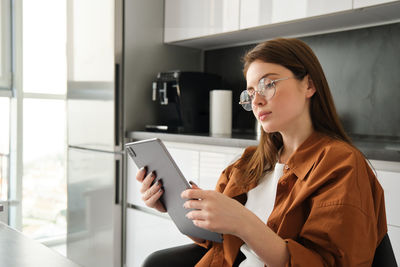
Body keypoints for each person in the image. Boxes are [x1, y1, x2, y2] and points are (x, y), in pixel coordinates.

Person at [136, 38, 387, 267]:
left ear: (309, 85)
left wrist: (243, 222)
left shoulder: (341, 165)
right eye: (251, 92)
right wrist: (175, 205)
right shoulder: (248, 163)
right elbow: (220, 242)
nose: (256, 101)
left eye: (268, 84)